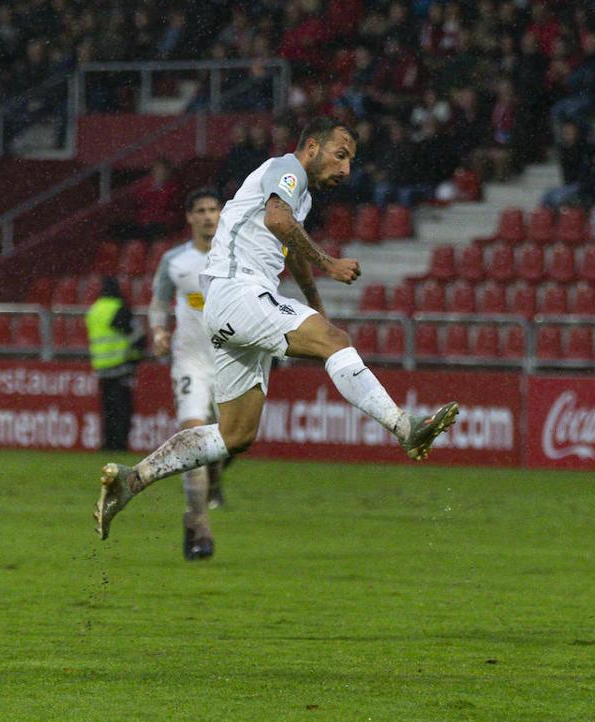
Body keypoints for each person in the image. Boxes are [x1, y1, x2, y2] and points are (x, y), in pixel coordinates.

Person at [93, 117, 460, 540]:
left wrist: (316, 303)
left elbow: (290, 244)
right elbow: (278, 221)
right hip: (239, 291)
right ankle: (404, 427)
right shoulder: (286, 169)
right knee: (335, 342)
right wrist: (331, 264)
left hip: (230, 306)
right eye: (340, 156)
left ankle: (134, 479)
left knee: (235, 435)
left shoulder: (299, 196)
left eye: (350, 162)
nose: (345, 170)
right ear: (312, 148)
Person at [148, 187, 228, 561]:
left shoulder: (237, 256)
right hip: (190, 362)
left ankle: (213, 481)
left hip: (231, 363)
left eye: (214, 209)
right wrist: (158, 332)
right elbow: (158, 303)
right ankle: (199, 526)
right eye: (201, 210)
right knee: (194, 440)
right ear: (190, 217)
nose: (209, 216)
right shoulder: (175, 261)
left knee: (227, 445)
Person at [86, 276, 143, 452]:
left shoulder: (94, 309)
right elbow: (138, 336)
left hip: (101, 367)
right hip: (120, 366)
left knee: (108, 409)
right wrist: (136, 356)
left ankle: (107, 443)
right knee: (122, 409)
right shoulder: (119, 308)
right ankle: (119, 444)